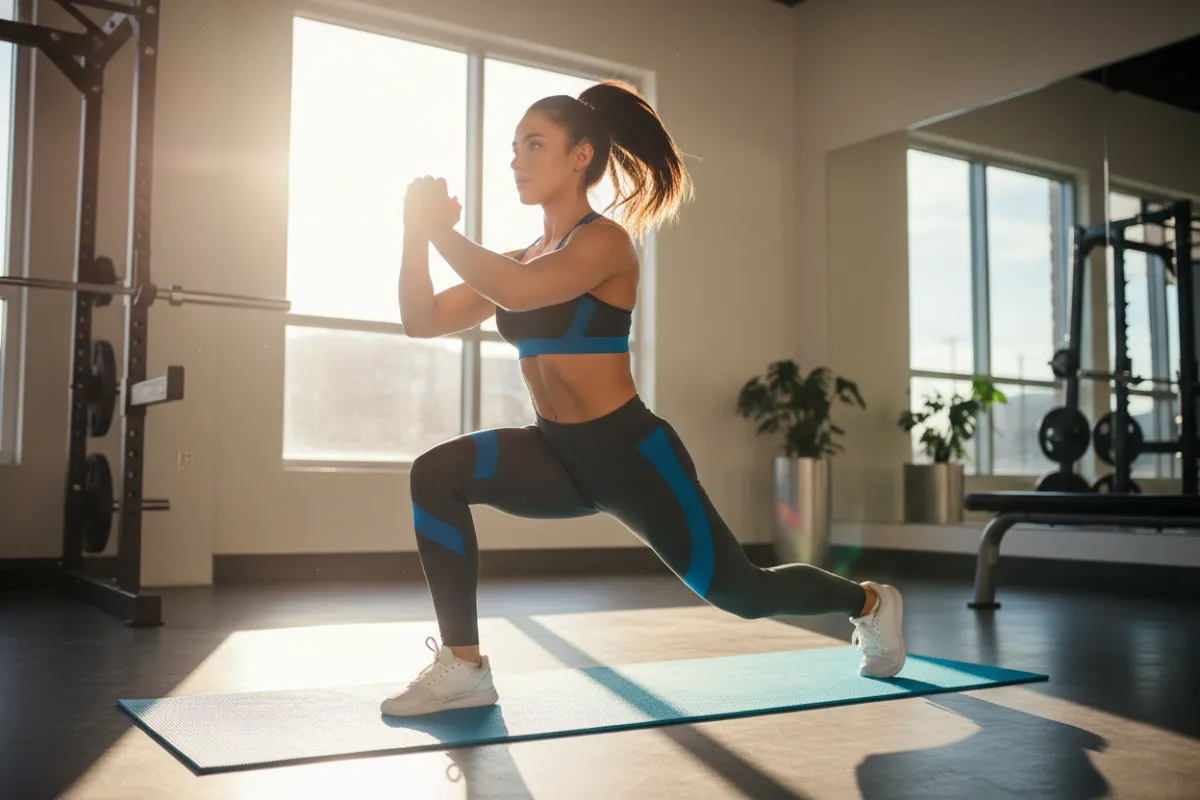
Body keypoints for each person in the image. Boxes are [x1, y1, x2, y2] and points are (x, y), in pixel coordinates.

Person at [382, 79, 905, 717]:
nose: (516, 159)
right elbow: (422, 318)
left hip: (629, 453)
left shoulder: (604, 243)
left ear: (580, 157)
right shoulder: (523, 254)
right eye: (514, 146)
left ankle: (871, 603)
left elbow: (518, 292)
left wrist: (439, 231)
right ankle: (463, 666)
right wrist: (415, 232)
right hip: (557, 452)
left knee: (742, 592)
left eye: (534, 144)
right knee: (436, 474)